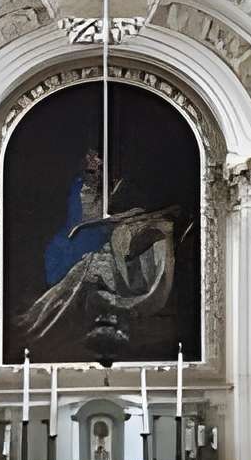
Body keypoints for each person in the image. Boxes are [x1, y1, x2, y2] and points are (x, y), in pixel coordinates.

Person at [15, 149, 177, 360]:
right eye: (90, 161)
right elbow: (83, 220)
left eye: (98, 161)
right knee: (82, 268)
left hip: (122, 262)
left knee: (90, 267)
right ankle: (39, 320)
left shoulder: (136, 204)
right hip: (91, 247)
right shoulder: (80, 191)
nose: (95, 165)